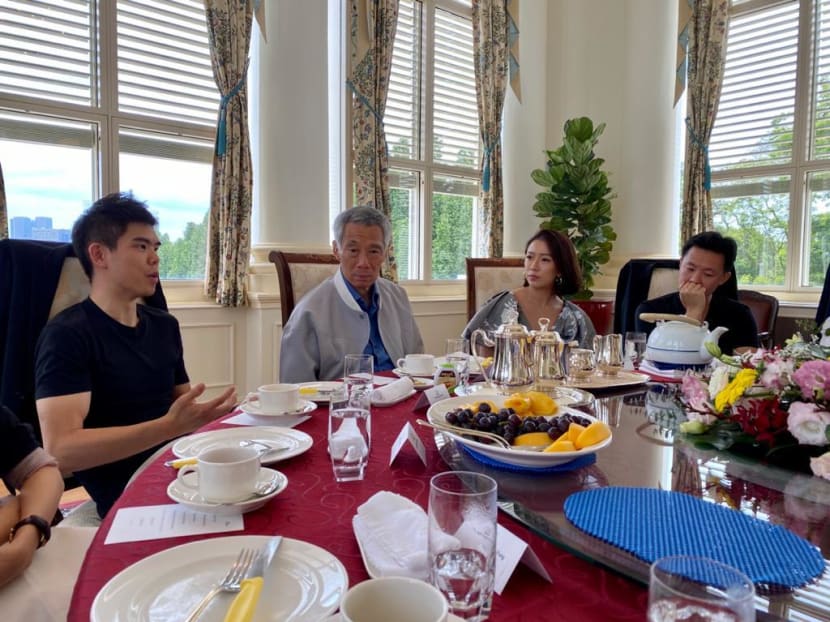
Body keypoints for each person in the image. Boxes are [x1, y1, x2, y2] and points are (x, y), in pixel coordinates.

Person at [34, 193, 237, 518]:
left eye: (155, 248)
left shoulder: (164, 325)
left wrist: (217, 420)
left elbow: (181, 413)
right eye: (141, 247)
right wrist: (168, 427)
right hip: (128, 499)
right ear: (99, 254)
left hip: (180, 476)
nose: (155, 258)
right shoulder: (67, 336)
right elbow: (61, 451)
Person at [279, 206, 424, 382]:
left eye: (373, 251)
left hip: (400, 398)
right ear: (336, 250)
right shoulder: (308, 311)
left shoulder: (398, 297)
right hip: (342, 405)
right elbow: (296, 391)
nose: (363, 263)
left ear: (385, 253)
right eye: (353, 251)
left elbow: (417, 365)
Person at [463, 229, 596, 348]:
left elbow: (588, 368)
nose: (533, 266)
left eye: (545, 260)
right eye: (529, 257)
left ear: (560, 269)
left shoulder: (576, 319)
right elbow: (483, 364)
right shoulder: (503, 306)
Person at [635, 231, 759, 355]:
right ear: (681, 263)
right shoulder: (650, 311)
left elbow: (749, 366)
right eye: (690, 269)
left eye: (708, 274)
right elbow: (671, 360)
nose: (695, 279)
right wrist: (693, 312)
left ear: (724, 278)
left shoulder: (740, 315)